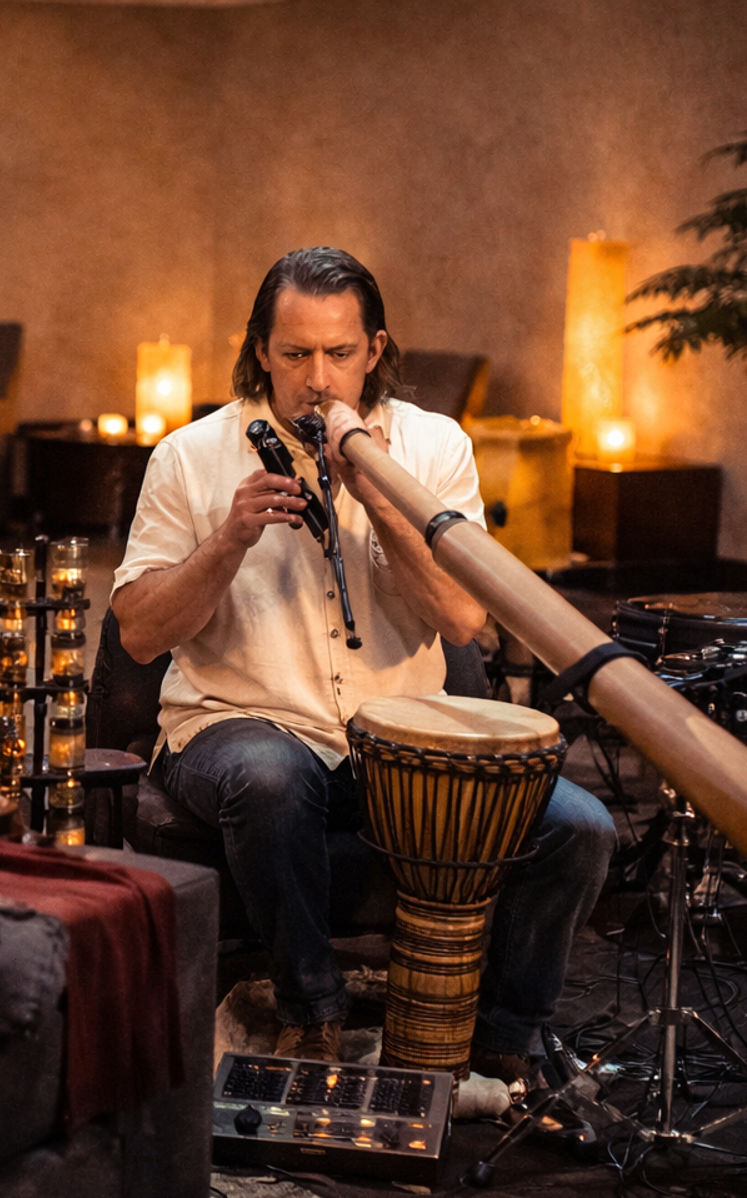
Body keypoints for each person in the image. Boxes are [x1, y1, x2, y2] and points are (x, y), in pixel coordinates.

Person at [111, 247, 614, 1079]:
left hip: (399, 738)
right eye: (296, 353)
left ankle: (503, 1044)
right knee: (273, 778)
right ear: (261, 351)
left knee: (581, 828)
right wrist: (228, 540)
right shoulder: (189, 456)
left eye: (339, 353)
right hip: (236, 722)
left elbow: (462, 617)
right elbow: (136, 634)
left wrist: (376, 490)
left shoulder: (434, 446)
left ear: (374, 350)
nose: (319, 379)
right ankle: (311, 1013)